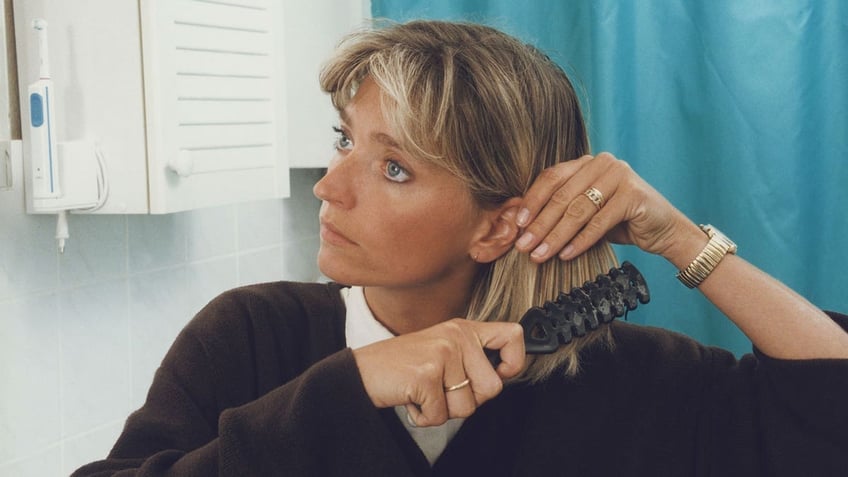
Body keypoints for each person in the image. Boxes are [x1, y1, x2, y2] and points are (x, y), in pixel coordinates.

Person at [72, 20, 848, 476]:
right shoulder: (249, 335)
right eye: (344, 141)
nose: (329, 187)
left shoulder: (632, 379)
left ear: (496, 224)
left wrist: (678, 238)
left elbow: (829, 409)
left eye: (395, 167)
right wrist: (349, 387)